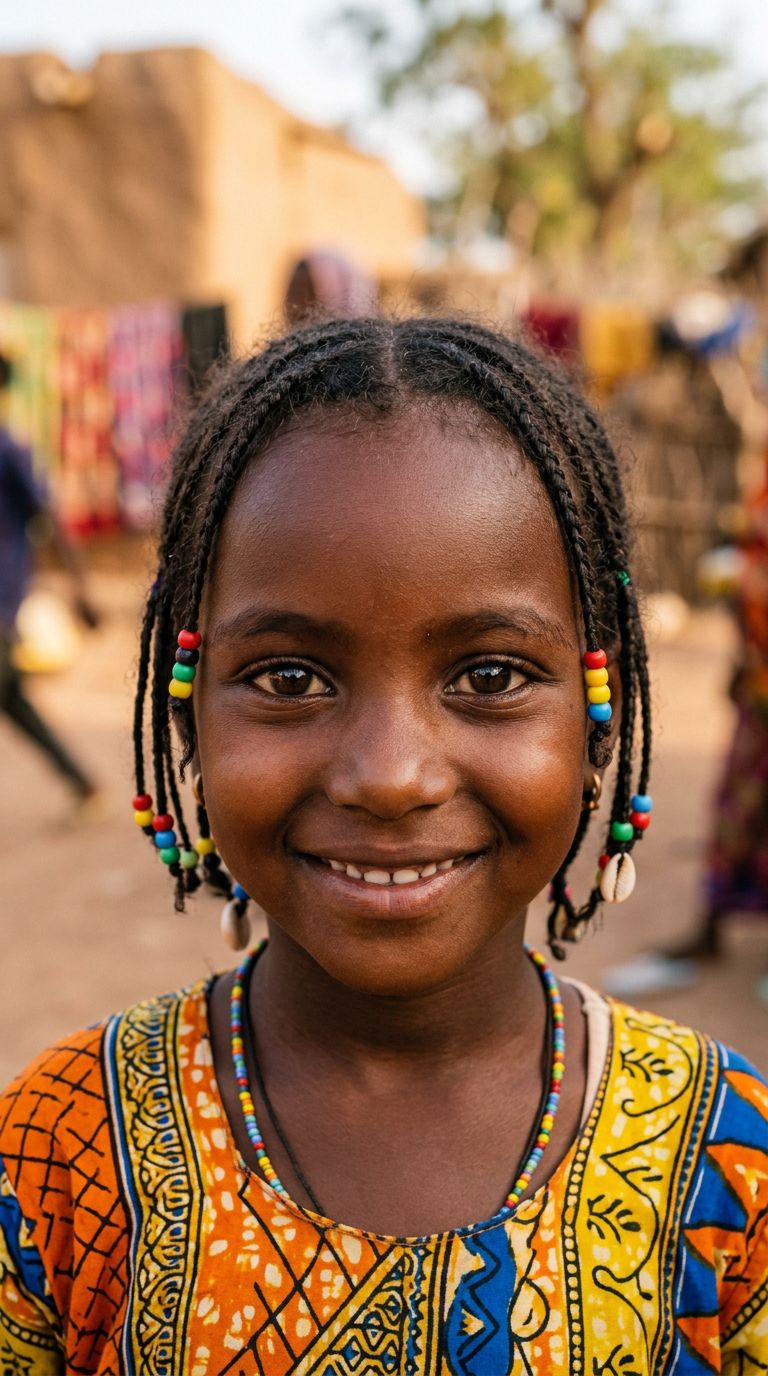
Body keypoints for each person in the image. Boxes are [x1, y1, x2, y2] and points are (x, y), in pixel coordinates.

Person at [0, 317, 766, 1375]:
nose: (392, 774)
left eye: (489, 676)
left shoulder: (732, 1160)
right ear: (187, 718)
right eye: (290, 678)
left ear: (600, 718)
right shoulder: (54, 1150)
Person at [0, 352, 100, 808]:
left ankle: (83, 784)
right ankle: (82, 784)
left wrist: (81, 588)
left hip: (2, 599)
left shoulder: (9, 449)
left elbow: (50, 520)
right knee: (11, 698)